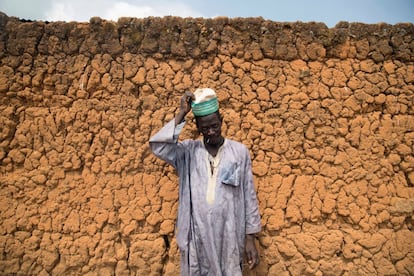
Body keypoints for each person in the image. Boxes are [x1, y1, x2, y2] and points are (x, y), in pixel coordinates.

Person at [149, 88, 261, 275]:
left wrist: (250, 238)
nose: (211, 132)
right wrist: (182, 113)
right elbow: (158, 146)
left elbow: (249, 196)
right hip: (197, 237)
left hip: (229, 234)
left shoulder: (239, 152)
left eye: (215, 126)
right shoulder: (188, 152)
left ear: (221, 122)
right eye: (205, 128)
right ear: (198, 128)